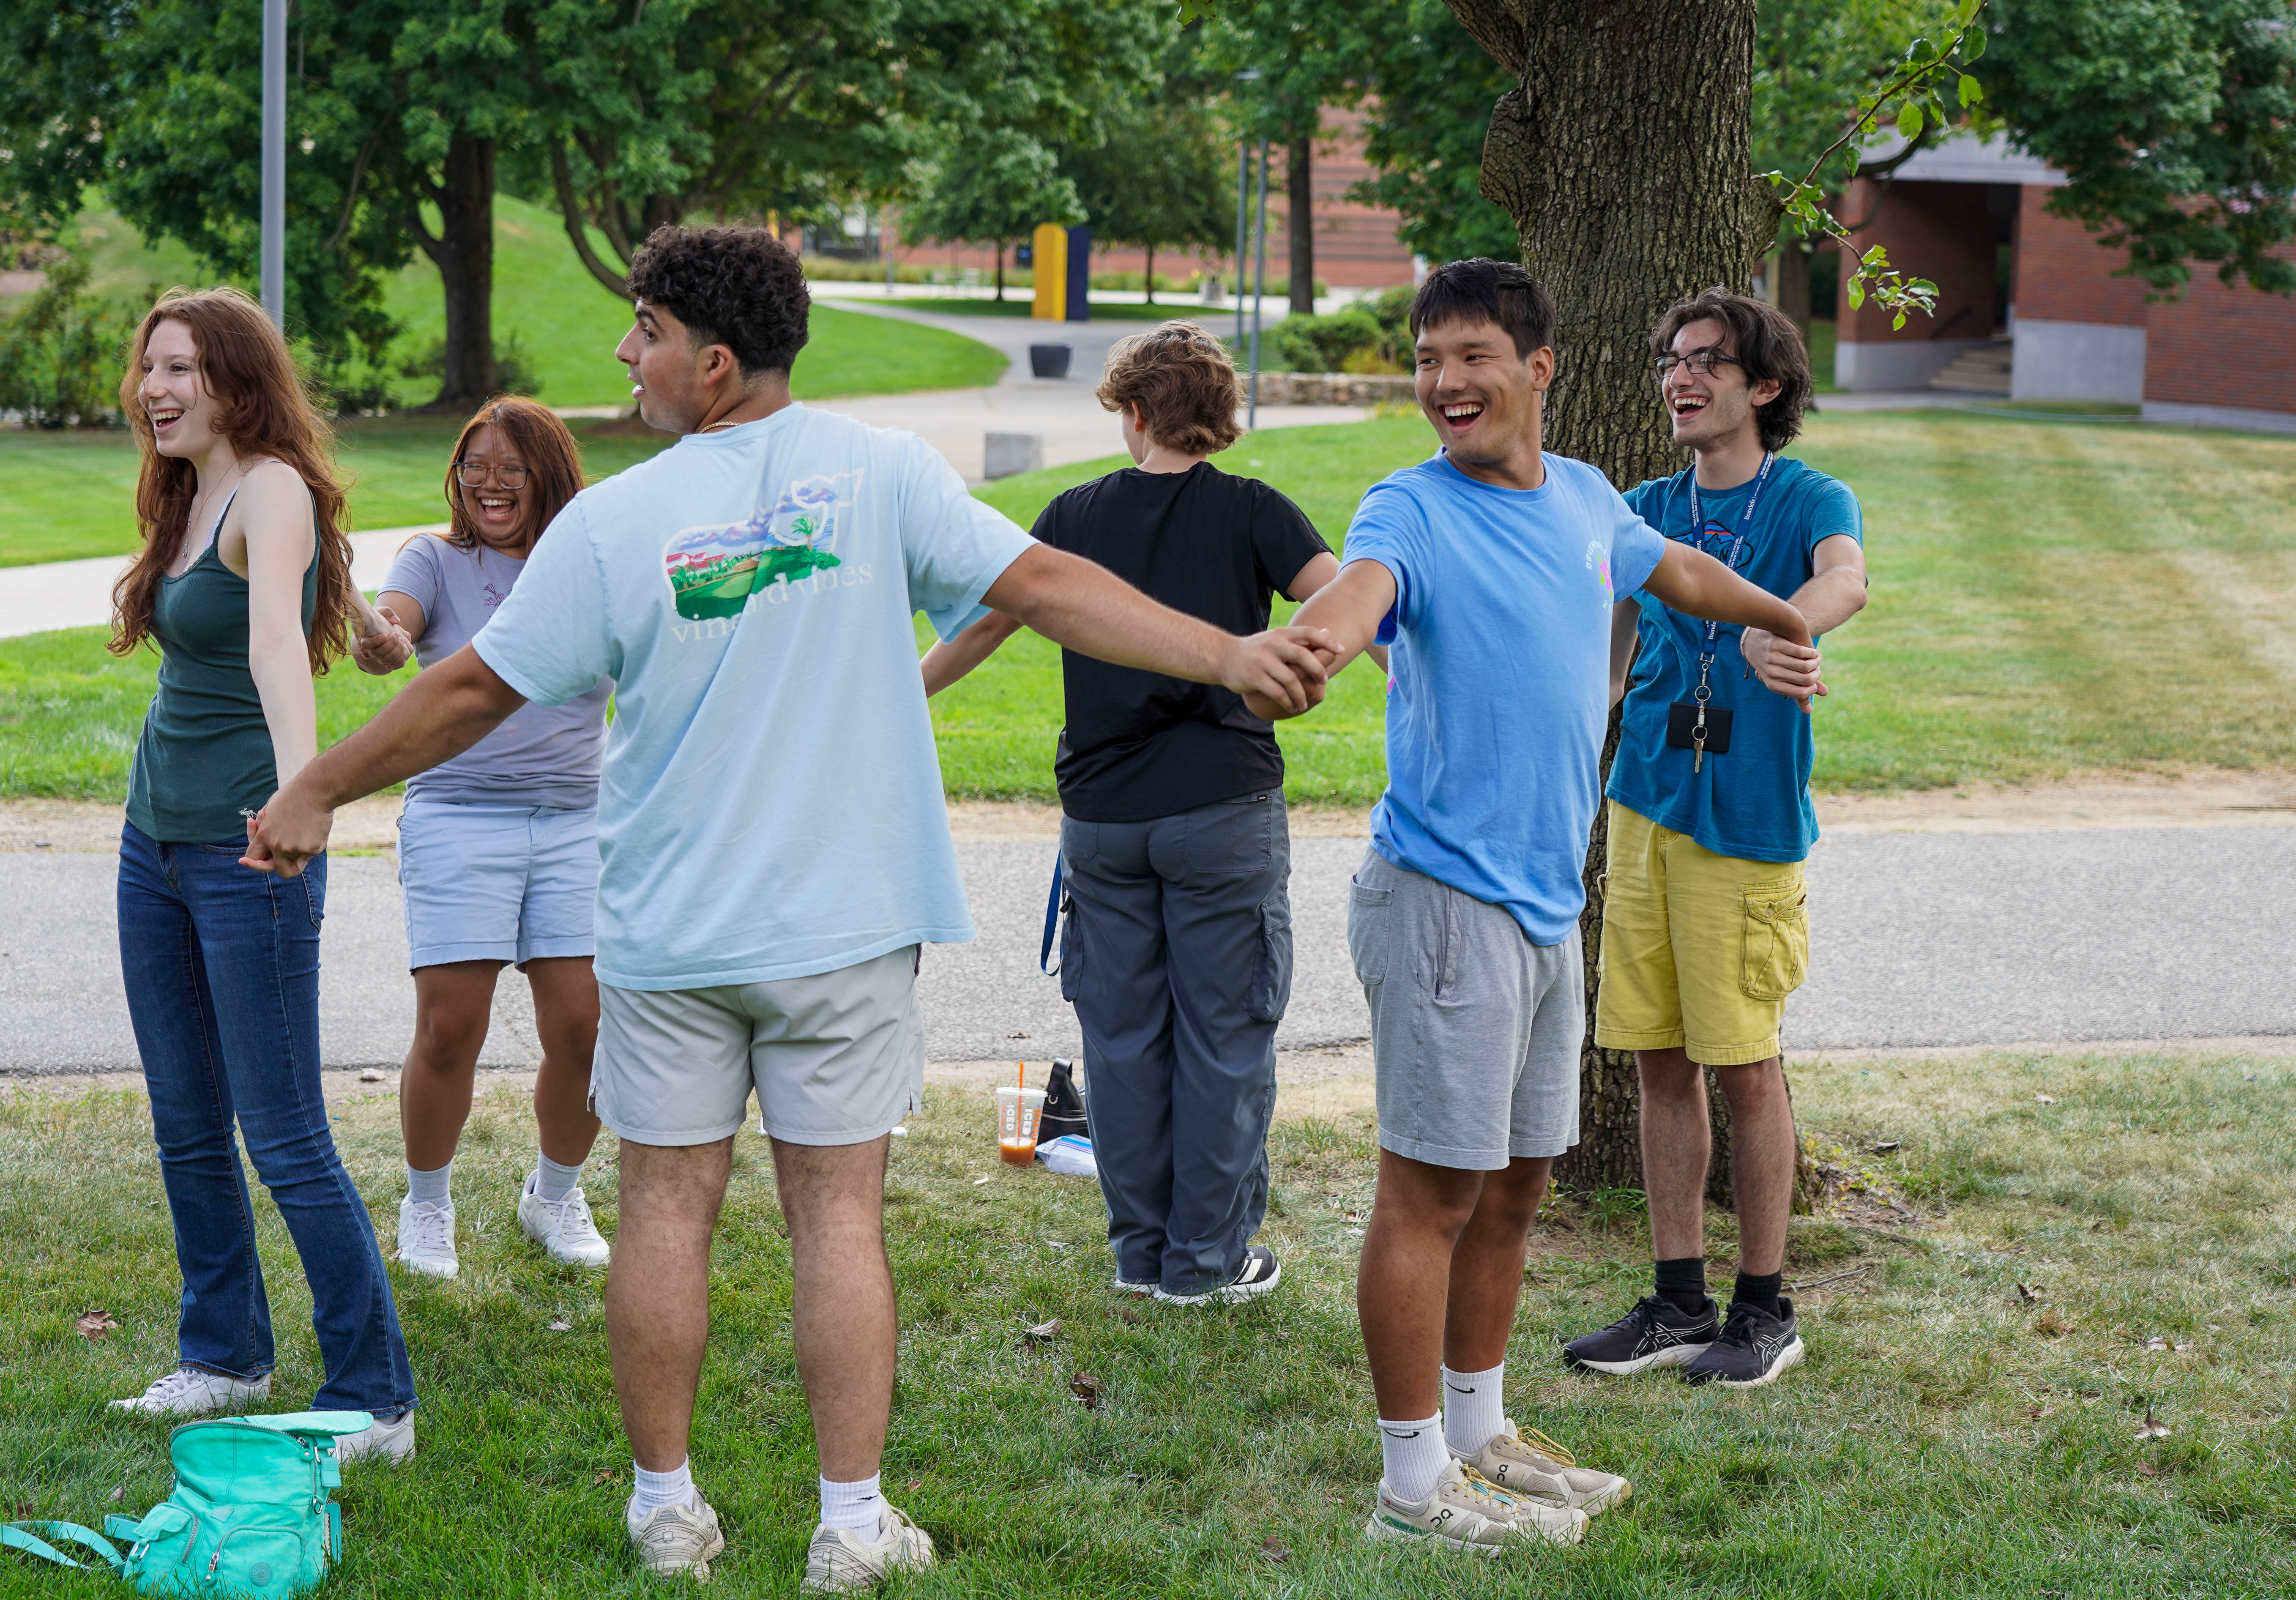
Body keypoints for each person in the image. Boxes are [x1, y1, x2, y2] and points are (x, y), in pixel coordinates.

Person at [240, 226, 1331, 1590]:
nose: (625, 357)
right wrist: (1227, 648)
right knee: (834, 1216)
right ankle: (851, 1521)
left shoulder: (621, 518)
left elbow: (472, 691)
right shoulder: (878, 476)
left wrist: (314, 791)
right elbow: (1044, 587)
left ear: (710, 360)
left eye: (641, 333)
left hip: (675, 930)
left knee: (664, 1206)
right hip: (839, 930)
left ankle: (667, 1508)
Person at [1252, 260, 1822, 1554]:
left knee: (1515, 1186)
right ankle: (1409, 1486)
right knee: (1428, 1194)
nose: (1442, 384)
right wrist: (1320, 645)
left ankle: (1476, 1432)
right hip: (1442, 899)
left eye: (1468, 357)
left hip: (1542, 907)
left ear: (1535, 368)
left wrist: (1780, 613)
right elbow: (1360, 590)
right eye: (1425, 360)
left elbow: (1671, 569)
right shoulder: (1409, 505)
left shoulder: (1581, 498)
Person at [921, 323, 1337, 1307]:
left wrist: (899, 701)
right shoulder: (1254, 510)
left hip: (1103, 822)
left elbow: (986, 620)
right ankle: (1206, 1262)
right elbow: (1341, 607)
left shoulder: (1071, 514)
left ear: (1135, 412)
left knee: (1122, 1043)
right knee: (1223, 1039)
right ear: (1217, 416)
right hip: (1221, 810)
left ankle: (1139, 1256)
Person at [107, 287, 417, 1464]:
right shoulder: (192, 491)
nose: (157, 389)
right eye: (150, 368)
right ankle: (224, 1352)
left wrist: (305, 797)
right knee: (188, 1120)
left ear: (237, 379)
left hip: (250, 852)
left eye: (181, 367)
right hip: (156, 844)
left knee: (283, 1134)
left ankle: (375, 1397)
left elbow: (274, 640)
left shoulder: (271, 486)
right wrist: (380, 635)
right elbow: (315, 608)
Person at [1561, 289, 1867, 1389]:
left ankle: (1762, 1307)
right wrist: (1568, 759)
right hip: (1641, 813)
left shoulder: (1804, 497)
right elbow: (1606, 652)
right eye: (1668, 363)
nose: (1677, 379)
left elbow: (1843, 580)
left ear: (1763, 386)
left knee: (1744, 1065)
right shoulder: (1638, 508)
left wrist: (1786, 625)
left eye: (1705, 362)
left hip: (1742, 831)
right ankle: (1677, 1298)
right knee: (1655, 1061)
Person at [368, 398, 613, 1279]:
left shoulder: (589, 564)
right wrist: (384, 638)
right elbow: (394, 622)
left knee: (585, 1027)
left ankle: (554, 1193)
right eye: (475, 465)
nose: (490, 482)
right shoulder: (435, 560)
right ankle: (426, 1205)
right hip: (458, 816)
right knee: (450, 1027)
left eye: (511, 466)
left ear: (550, 473)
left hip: (576, 821)